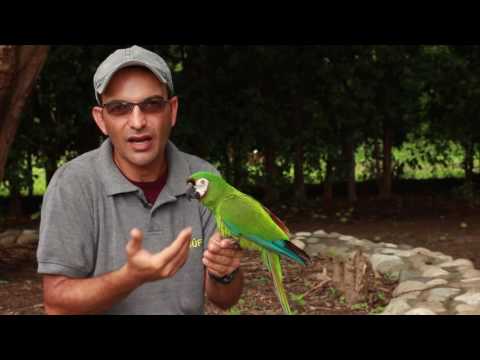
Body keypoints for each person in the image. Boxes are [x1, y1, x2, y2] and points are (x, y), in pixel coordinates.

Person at [36, 45, 244, 315]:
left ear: (172, 110)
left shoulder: (204, 181)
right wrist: (130, 276)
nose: (137, 121)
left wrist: (222, 272)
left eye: (151, 105)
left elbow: (225, 299)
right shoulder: (73, 184)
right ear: (101, 120)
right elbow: (56, 303)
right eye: (119, 108)